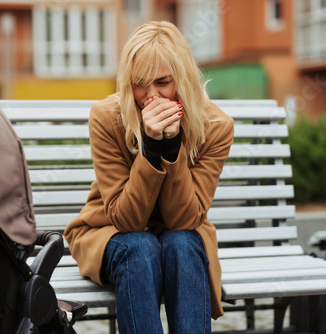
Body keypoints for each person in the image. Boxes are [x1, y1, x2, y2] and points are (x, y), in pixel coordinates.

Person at [63, 21, 234, 333]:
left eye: (163, 82)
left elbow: (184, 219)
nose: (151, 96)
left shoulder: (216, 127)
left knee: (182, 243)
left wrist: (172, 148)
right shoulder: (107, 118)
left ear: (182, 79)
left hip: (181, 234)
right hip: (110, 232)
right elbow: (126, 220)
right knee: (140, 246)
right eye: (140, 83)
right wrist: (151, 150)